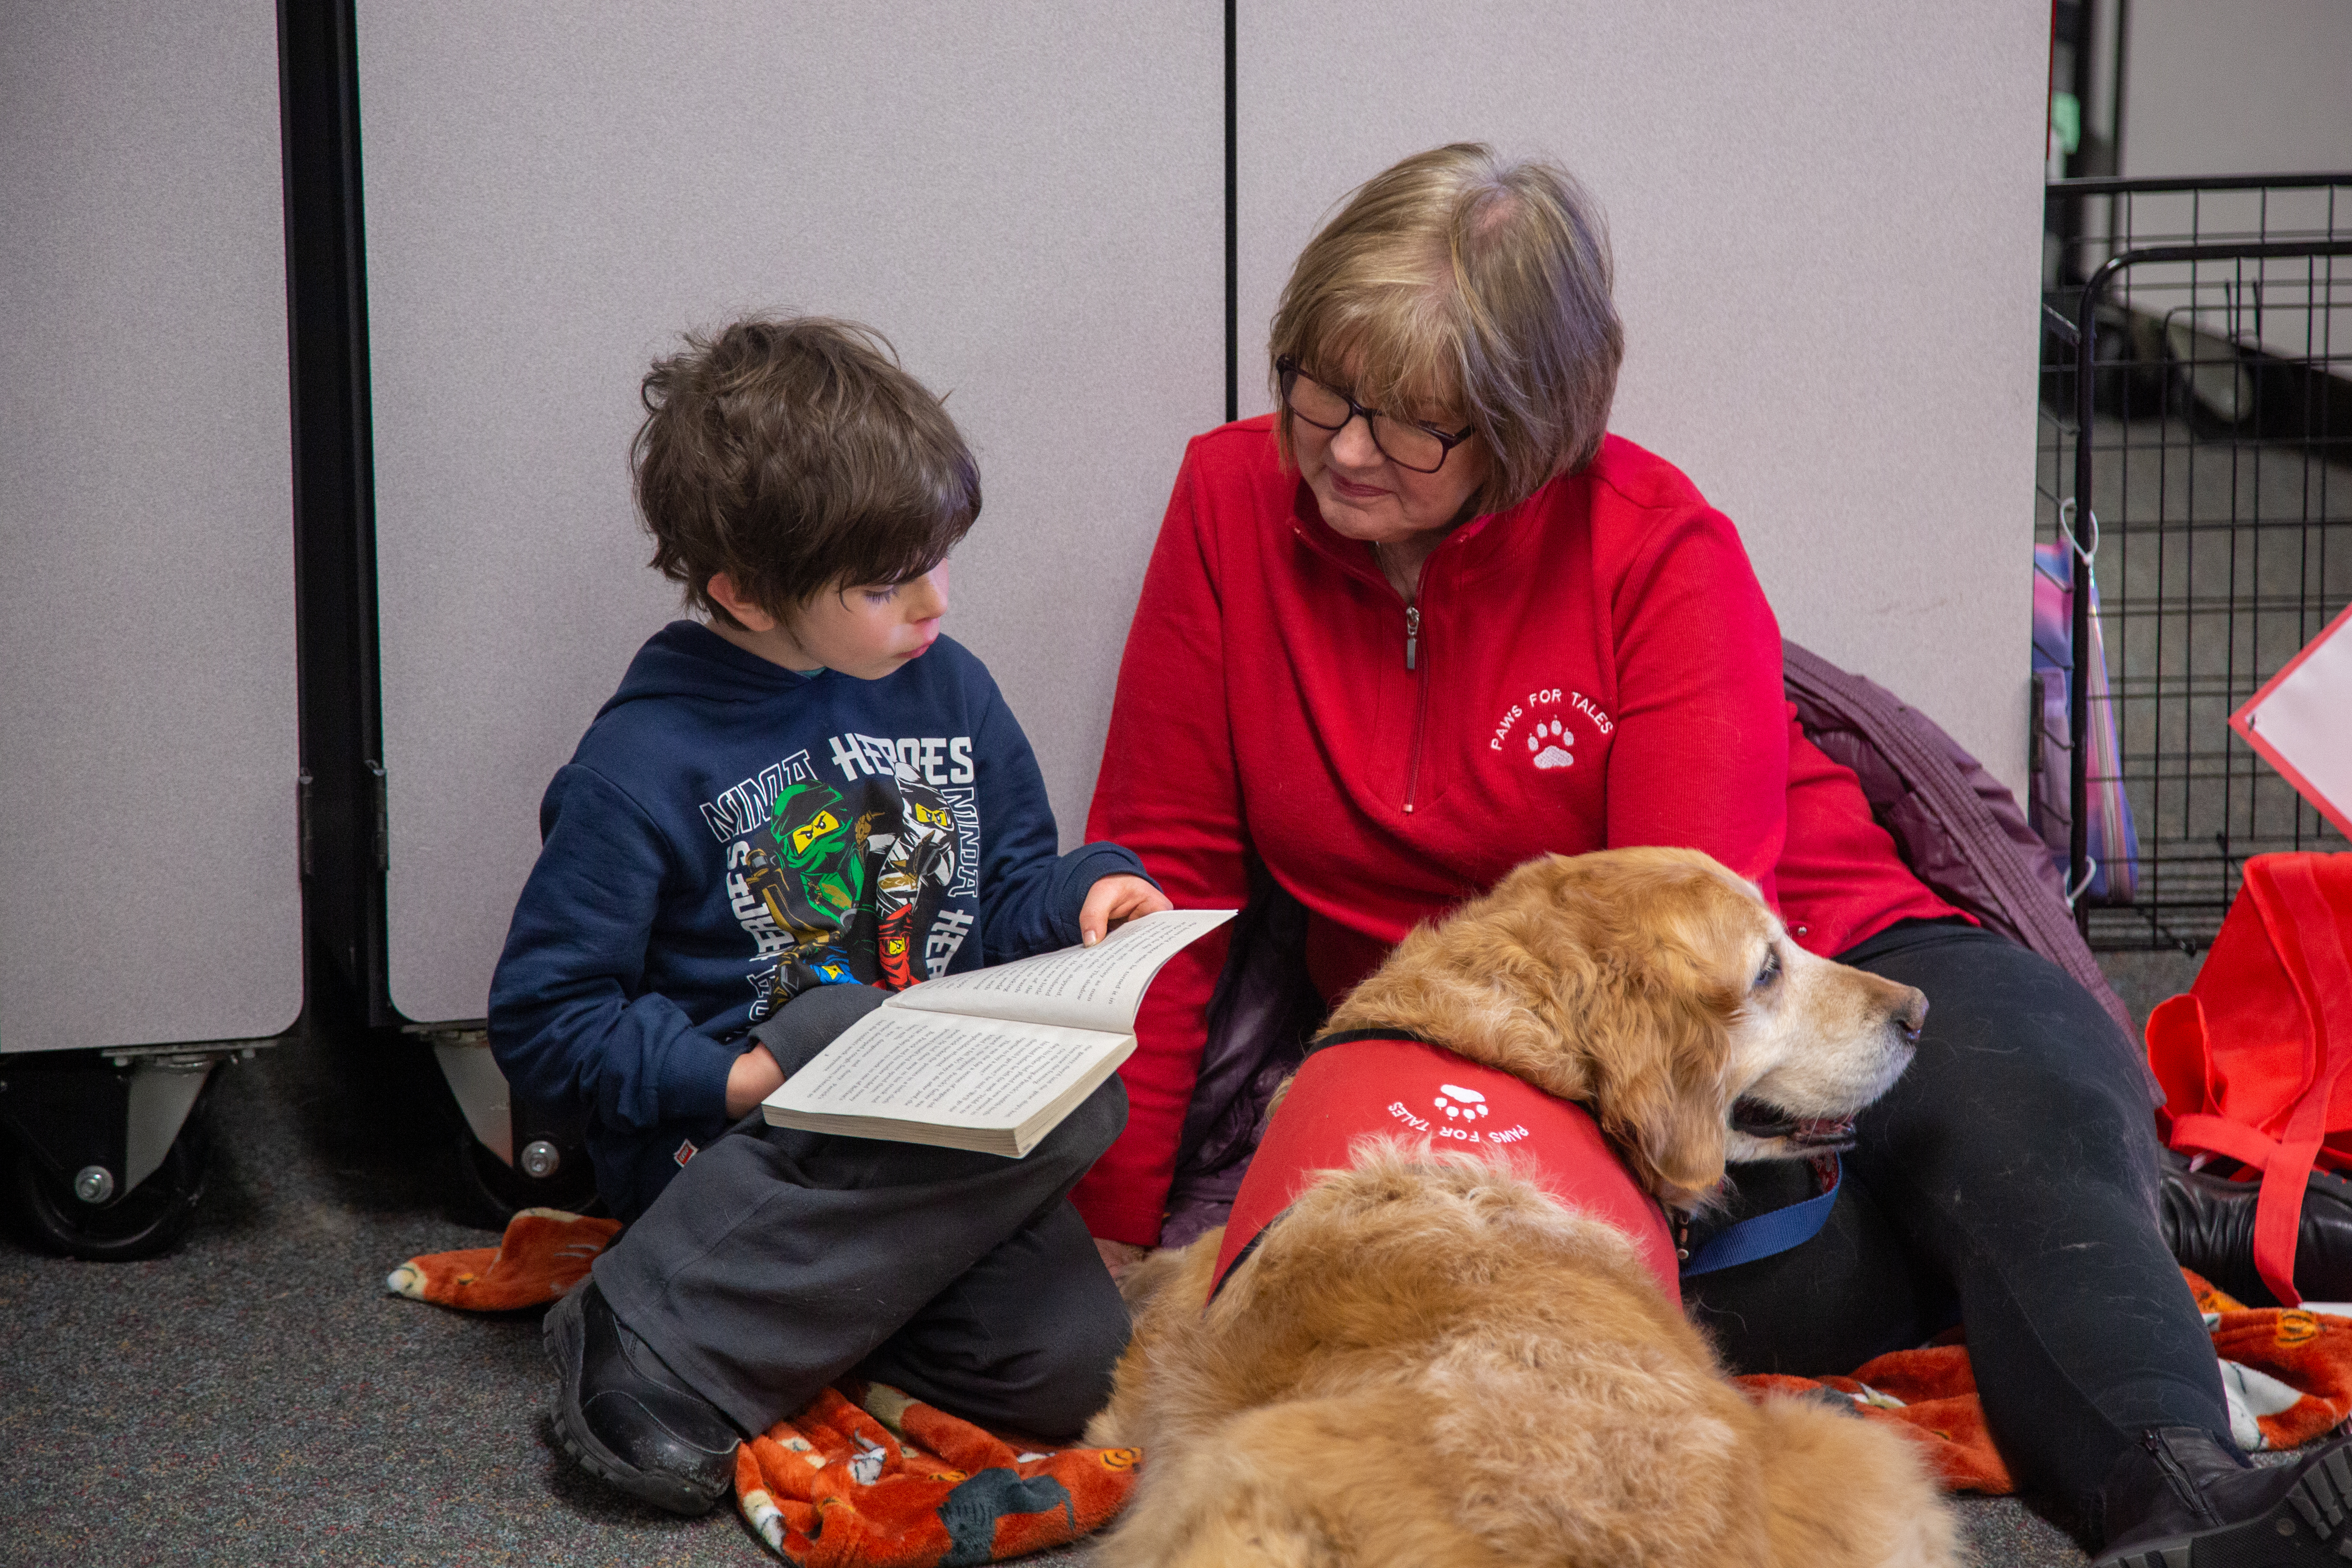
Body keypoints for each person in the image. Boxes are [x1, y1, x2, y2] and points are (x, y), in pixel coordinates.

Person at [1075, 144, 2352, 1565]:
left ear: (1527, 424)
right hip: (1525, 1059)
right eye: (1320, 388)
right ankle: (2139, 1219)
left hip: (1797, 961)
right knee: (1697, 1287)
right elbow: (1168, 879)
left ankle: (2185, 1510)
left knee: (2013, 1124)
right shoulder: (1226, 505)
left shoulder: (1657, 543)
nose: (1346, 448)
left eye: (1415, 423)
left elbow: (1686, 962)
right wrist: (1113, 1242)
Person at [493, 316, 1168, 1515]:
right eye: (882, 582)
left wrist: (1089, 895)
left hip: (922, 1125)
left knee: (1069, 1365)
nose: (932, 601)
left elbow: (1007, 894)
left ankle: (760, 1320)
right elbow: (548, 1020)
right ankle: (632, 1328)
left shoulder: (948, 684)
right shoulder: (642, 759)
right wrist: (740, 1076)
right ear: (744, 593)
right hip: (740, 1140)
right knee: (843, 1021)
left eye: (937, 558)